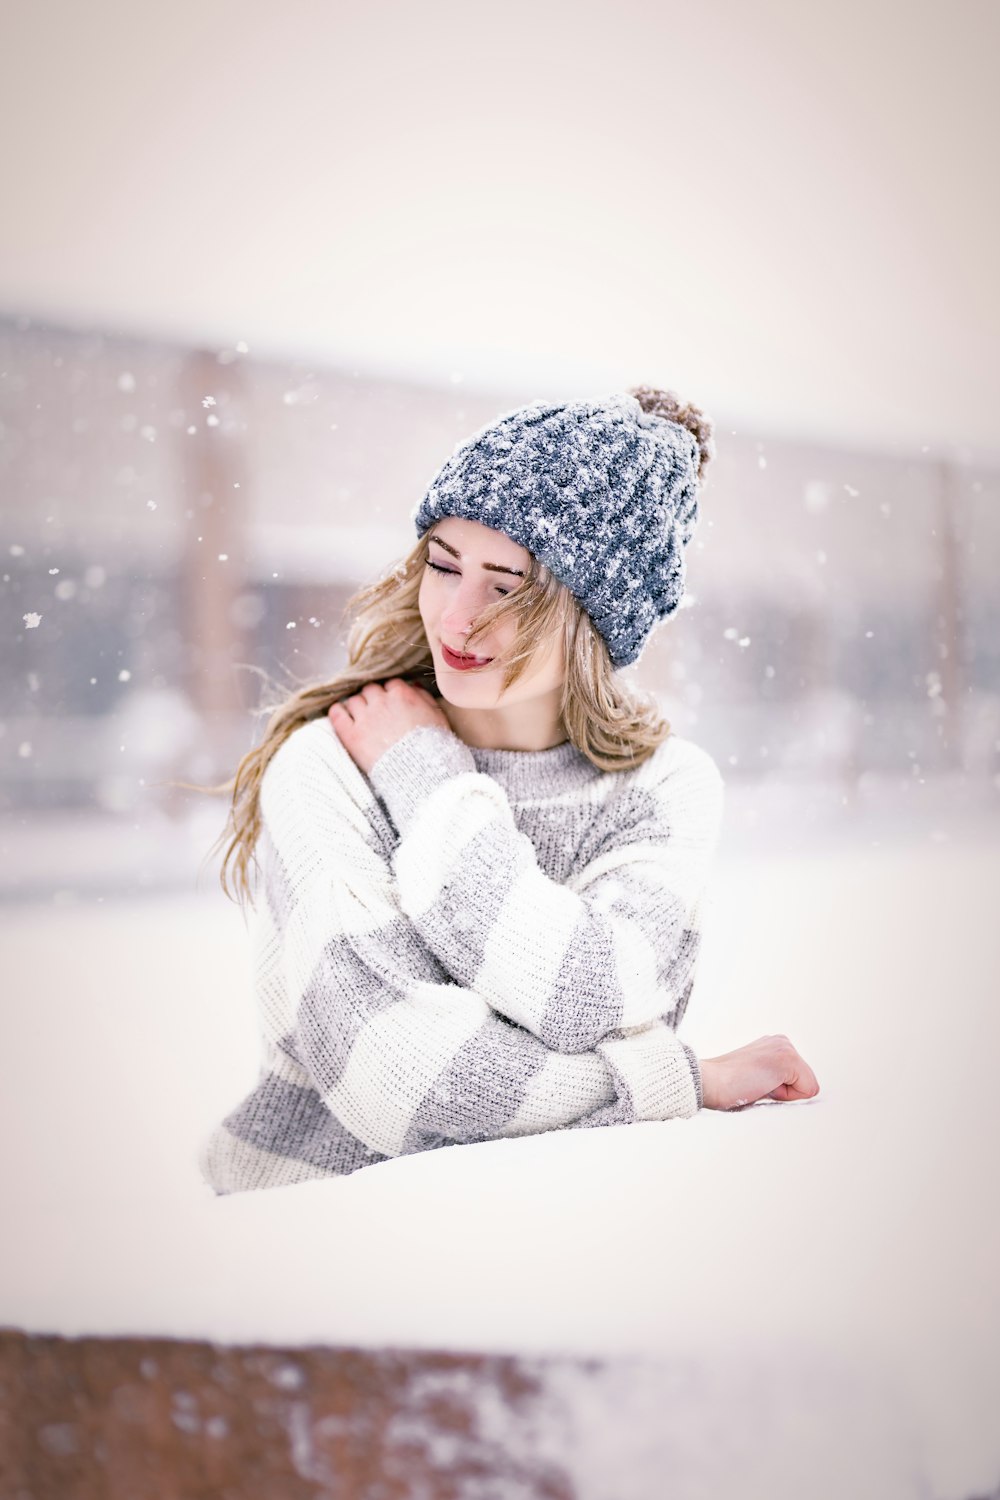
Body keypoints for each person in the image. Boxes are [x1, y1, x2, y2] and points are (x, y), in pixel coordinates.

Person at [198, 386, 819, 1196]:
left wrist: (427, 783)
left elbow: (581, 992)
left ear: (591, 617)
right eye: (444, 566)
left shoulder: (664, 788)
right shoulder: (330, 763)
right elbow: (406, 1084)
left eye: (506, 587)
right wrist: (679, 1081)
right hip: (315, 1259)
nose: (455, 620)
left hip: (559, 1241)